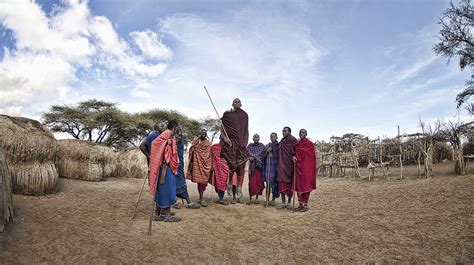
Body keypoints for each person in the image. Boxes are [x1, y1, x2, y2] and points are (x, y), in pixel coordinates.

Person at [149, 120, 181, 222]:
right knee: (168, 190)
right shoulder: (167, 134)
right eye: (178, 127)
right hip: (165, 168)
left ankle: (157, 214)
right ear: (175, 127)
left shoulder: (170, 135)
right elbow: (155, 143)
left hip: (164, 167)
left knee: (161, 190)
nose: (179, 129)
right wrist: (168, 143)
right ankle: (167, 215)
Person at [220, 98, 250, 197]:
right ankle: (229, 184)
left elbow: (246, 130)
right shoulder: (227, 114)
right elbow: (222, 127)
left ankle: (238, 186)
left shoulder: (245, 115)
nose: (237, 103)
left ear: (241, 104)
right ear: (232, 103)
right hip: (231, 142)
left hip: (242, 143)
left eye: (238, 101)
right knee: (232, 165)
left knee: (241, 166)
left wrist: (244, 142)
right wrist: (225, 139)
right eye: (235, 101)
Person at [175, 130, 200, 209]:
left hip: (179, 166)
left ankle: (174, 201)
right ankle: (188, 202)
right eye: (177, 135)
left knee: (179, 183)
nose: (179, 137)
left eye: (180, 136)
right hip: (174, 166)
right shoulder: (171, 143)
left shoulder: (180, 143)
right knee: (181, 183)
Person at [293, 129, 317, 212]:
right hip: (298, 167)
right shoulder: (297, 144)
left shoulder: (309, 144)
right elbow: (293, 153)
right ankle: (300, 204)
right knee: (298, 185)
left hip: (307, 168)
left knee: (306, 185)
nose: (301, 134)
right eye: (300, 132)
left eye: (303, 132)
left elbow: (312, 157)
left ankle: (305, 204)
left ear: (306, 134)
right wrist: (294, 157)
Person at [187, 129, 212, 207]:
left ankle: (201, 198)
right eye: (202, 134)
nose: (203, 135)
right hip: (197, 164)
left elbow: (208, 155)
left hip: (205, 164)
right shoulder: (195, 141)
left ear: (206, 135)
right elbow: (191, 150)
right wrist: (193, 148)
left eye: (204, 134)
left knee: (203, 182)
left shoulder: (208, 143)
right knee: (199, 182)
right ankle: (201, 198)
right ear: (199, 134)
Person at [276, 126, 298, 210]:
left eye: (285, 131)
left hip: (290, 165)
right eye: (282, 131)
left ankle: (289, 202)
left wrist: (294, 156)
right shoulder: (281, 141)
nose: (283, 132)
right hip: (281, 164)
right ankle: (283, 203)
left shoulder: (293, 140)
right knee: (281, 183)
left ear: (289, 132)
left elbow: (297, 150)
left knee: (289, 184)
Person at [262, 132, 280, 206]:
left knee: (275, 185)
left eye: (274, 137)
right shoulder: (267, 145)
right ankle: (267, 200)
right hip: (268, 168)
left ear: (276, 137)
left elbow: (280, 155)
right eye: (271, 137)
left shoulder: (279, 146)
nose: (272, 138)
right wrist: (267, 151)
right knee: (268, 185)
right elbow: (263, 156)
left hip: (276, 168)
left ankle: (273, 200)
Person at [246, 134, 265, 204]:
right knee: (251, 183)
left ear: (259, 138)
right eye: (255, 137)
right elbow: (246, 154)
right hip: (252, 167)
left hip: (258, 167)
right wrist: (250, 157)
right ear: (253, 138)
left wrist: (256, 158)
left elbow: (263, 155)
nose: (256, 138)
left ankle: (256, 198)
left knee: (258, 183)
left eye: (257, 137)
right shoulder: (250, 146)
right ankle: (250, 198)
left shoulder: (262, 146)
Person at [210, 139, 229, 205]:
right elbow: (211, 157)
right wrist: (212, 165)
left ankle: (221, 197)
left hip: (225, 167)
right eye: (222, 138)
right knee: (217, 182)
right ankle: (220, 197)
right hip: (217, 167)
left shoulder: (228, 147)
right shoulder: (214, 147)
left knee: (223, 182)